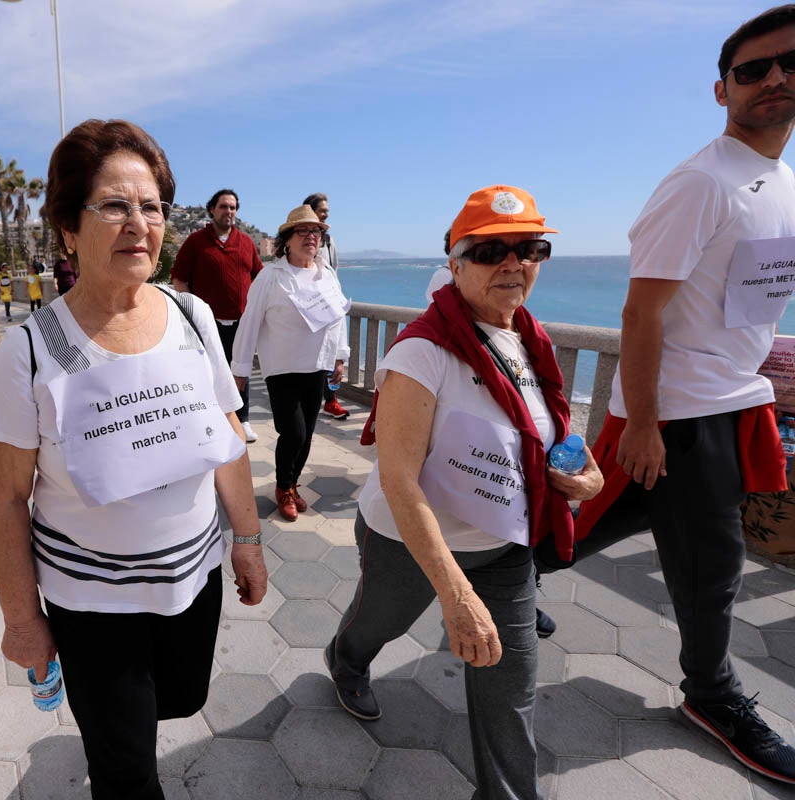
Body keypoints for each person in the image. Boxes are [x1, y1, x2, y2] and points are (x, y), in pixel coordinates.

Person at [0, 119, 267, 800]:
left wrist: (248, 541)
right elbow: (1, 499)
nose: (138, 222)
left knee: (181, 699)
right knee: (127, 772)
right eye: (114, 204)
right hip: (92, 604)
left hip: (194, 581)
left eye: (152, 206)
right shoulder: (30, 350)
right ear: (69, 230)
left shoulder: (193, 316)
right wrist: (24, 619)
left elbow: (227, 441)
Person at [570, 6, 795, 785]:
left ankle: (492, 577)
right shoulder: (702, 182)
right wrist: (646, 424)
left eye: (789, 64)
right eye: (753, 69)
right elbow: (642, 311)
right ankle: (713, 694)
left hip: (733, 404)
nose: (774, 79)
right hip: (682, 418)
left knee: (579, 528)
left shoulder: (780, 182)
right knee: (715, 568)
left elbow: (746, 303)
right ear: (721, 89)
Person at [325, 185, 602, 799]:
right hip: (408, 542)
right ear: (454, 264)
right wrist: (454, 595)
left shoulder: (532, 337)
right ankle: (345, 661)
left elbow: (546, 431)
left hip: (505, 547)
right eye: (490, 251)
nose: (513, 262)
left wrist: (585, 477)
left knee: (511, 689)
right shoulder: (423, 352)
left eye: (529, 247)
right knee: (380, 625)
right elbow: (398, 478)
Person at [230, 205, 349, 521]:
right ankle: (283, 487)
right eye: (304, 231)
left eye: (316, 232)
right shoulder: (271, 276)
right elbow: (250, 322)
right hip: (281, 368)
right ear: (287, 240)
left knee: (308, 433)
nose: (312, 237)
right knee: (293, 432)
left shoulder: (327, 274)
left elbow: (338, 318)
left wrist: (340, 356)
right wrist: (239, 371)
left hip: (316, 366)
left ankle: (293, 484)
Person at [171, 189, 265, 443]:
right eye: (224, 206)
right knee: (208, 373)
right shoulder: (196, 242)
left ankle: (242, 420)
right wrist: (192, 313)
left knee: (240, 372)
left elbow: (260, 278)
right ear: (212, 209)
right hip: (206, 325)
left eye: (233, 207)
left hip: (241, 324)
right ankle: (209, 420)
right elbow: (179, 279)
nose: (229, 212)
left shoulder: (246, 242)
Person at [303, 192, 351, 422]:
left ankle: (331, 400)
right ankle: (312, 400)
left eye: (327, 212)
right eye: (322, 211)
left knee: (331, 353)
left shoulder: (329, 240)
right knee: (313, 357)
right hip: (307, 310)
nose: (325, 215)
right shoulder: (298, 238)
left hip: (328, 308)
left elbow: (334, 271)